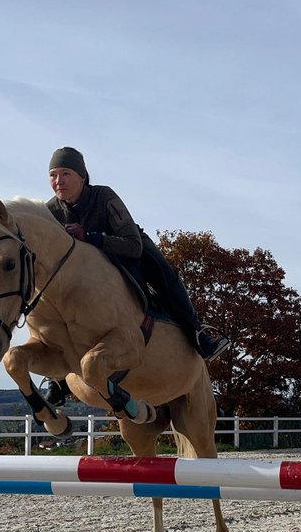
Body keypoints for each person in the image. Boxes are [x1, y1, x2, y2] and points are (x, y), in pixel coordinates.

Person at [44, 146, 230, 375]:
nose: (58, 181)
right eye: (53, 175)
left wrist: (91, 237)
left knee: (163, 272)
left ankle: (198, 335)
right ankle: (58, 377)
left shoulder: (104, 196)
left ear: (82, 177)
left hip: (128, 249)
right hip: (86, 270)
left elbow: (132, 245)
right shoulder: (49, 211)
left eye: (66, 174)